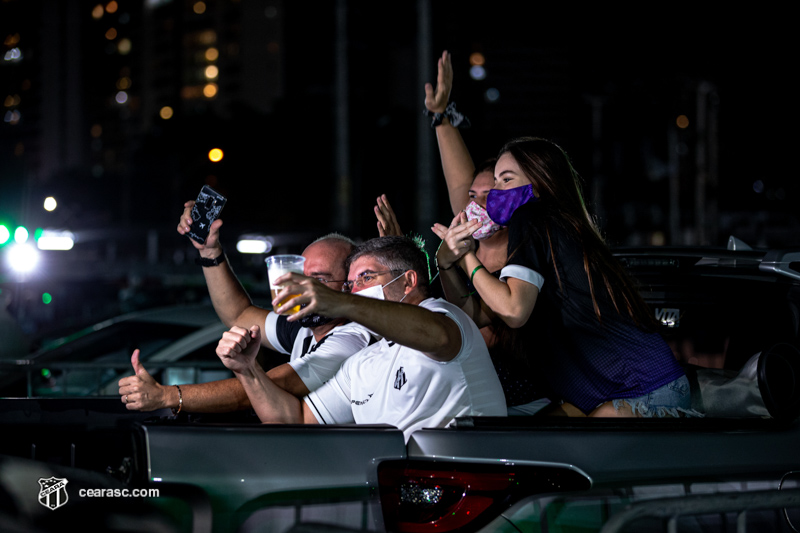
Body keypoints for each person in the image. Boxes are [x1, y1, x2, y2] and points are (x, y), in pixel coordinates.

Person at [434, 137, 695, 418]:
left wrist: (465, 257)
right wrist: (446, 265)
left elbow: (513, 310)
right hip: (610, 392)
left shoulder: (532, 216)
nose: (496, 192)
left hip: (643, 388)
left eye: (506, 180)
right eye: (495, 182)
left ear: (539, 181)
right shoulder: (549, 236)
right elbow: (468, 313)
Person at [215, 236, 507, 441]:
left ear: (408, 280)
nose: (355, 290)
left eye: (367, 277)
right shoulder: (365, 362)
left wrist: (340, 303)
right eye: (351, 284)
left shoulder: (446, 317)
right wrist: (247, 370)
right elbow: (294, 418)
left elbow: (436, 336)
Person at [118, 201, 374, 413]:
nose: (303, 286)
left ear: (349, 286)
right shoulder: (306, 327)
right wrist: (210, 252)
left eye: (318, 279)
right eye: (300, 275)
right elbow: (238, 314)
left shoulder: (352, 339)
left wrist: (166, 396)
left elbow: (264, 387)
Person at [424, 51, 545, 413]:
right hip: (467, 389)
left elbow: (478, 316)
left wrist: (455, 262)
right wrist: (440, 116)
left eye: (491, 194)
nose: (475, 205)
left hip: (522, 397)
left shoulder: (525, 248)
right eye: (471, 197)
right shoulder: (468, 236)